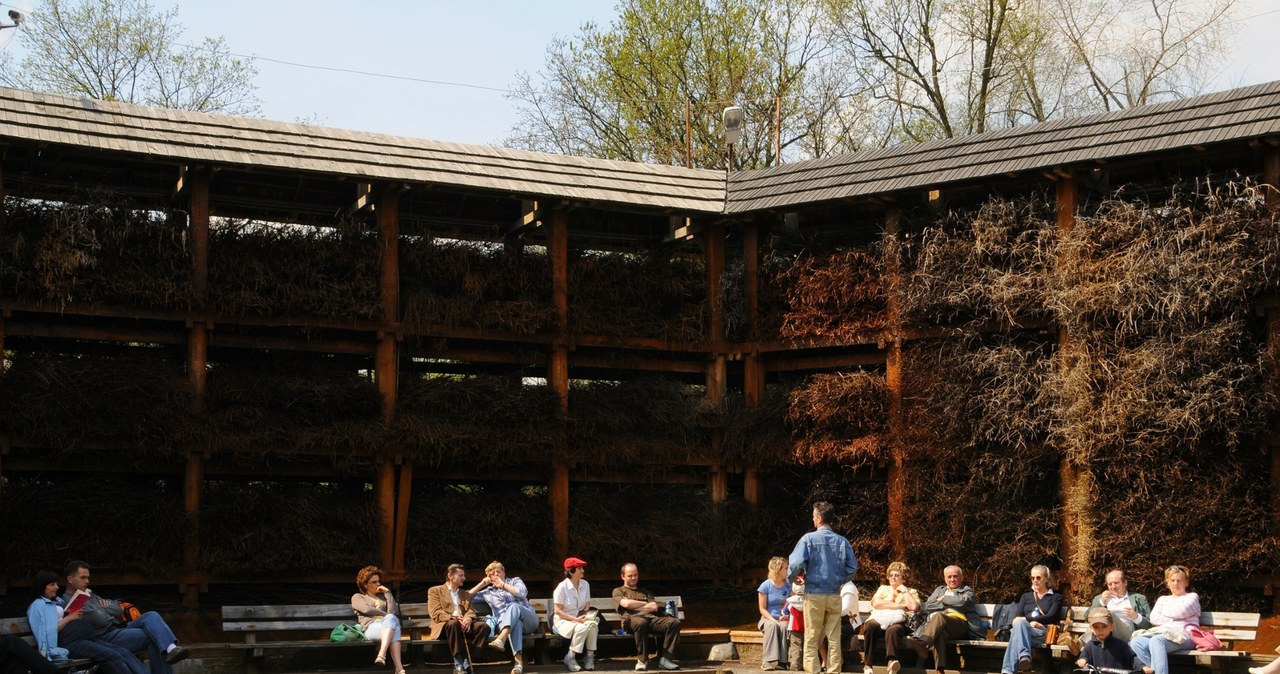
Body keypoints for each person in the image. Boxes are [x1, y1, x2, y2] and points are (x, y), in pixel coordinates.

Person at [63, 560, 188, 674]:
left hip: (119, 627)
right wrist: (104, 608)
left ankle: (171, 648)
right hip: (105, 635)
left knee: (151, 615)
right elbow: (99, 620)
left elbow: (118, 609)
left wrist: (101, 609)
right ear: (70, 579)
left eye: (88, 578)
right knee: (153, 636)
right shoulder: (69, 601)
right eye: (83, 578)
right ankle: (168, 649)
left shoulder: (89, 594)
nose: (87, 581)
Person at [30, 570, 148, 674]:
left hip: (86, 638)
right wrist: (70, 618)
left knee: (122, 651)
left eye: (56, 583)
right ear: (42, 586)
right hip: (70, 642)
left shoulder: (57, 601)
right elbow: (46, 632)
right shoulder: (38, 605)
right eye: (51, 584)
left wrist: (74, 613)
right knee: (112, 656)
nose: (56, 587)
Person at [787, 502, 858, 674]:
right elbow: (853, 568)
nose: (812, 518)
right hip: (834, 594)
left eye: (813, 516)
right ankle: (834, 671)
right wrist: (840, 580)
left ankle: (813, 671)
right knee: (834, 637)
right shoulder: (843, 541)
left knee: (811, 637)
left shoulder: (808, 539)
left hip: (814, 595)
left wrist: (794, 578)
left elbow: (795, 562)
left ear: (818, 518)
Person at [905, 565, 985, 674]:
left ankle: (922, 643)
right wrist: (951, 601)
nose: (952, 579)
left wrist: (943, 600)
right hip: (942, 626)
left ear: (961, 578)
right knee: (940, 633)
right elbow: (929, 605)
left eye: (955, 576)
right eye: (949, 577)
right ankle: (940, 669)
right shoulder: (939, 590)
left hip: (960, 625)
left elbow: (962, 602)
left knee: (939, 616)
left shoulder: (967, 591)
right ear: (945, 579)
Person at [470, 561, 539, 674]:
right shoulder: (488, 592)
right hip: (507, 624)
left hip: (529, 620)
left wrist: (503, 585)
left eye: (499, 571)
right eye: (492, 573)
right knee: (515, 624)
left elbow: (521, 593)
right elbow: (466, 597)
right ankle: (518, 664)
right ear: (489, 577)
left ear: (504, 572)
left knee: (514, 606)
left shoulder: (515, 581)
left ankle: (502, 637)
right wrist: (482, 584)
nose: (496, 574)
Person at [1129, 565, 1199, 674]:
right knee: (1136, 642)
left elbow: (1181, 612)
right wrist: (1175, 618)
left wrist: (1165, 613)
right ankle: (1156, 671)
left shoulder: (1192, 597)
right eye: (1173, 580)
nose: (1176, 583)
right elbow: (1154, 618)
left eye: (1179, 580)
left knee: (1156, 641)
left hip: (1187, 636)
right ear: (1168, 583)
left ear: (1186, 582)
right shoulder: (1163, 599)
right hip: (1165, 635)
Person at [613, 563, 681, 672]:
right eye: (630, 575)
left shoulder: (645, 591)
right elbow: (626, 604)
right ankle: (642, 660)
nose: (634, 578)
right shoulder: (618, 591)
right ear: (623, 576)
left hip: (650, 619)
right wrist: (644, 604)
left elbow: (653, 606)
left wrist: (635, 604)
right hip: (630, 621)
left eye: (636, 575)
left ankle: (666, 659)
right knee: (641, 622)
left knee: (673, 623)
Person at [427, 563, 492, 674]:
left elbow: (470, 610)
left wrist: (468, 619)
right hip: (446, 626)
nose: (464, 578)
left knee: (484, 627)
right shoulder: (435, 591)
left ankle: (467, 659)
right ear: (451, 576)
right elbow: (435, 612)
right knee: (454, 624)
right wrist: (454, 617)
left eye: (464, 575)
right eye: (461, 575)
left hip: (464, 625)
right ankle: (458, 663)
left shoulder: (464, 593)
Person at [999, 565, 1064, 674]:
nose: (1035, 581)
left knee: (1017, 633)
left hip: (1043, 631)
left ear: (1046, 579)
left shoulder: (1056, 597)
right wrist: (1029, 622)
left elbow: (1051, 617)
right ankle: (1024, 656)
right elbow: (1016, 618)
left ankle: (1008, 670)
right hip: (1026, 630)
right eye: (1033, 578)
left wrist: (1027, 620)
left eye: (1038, 578)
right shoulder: (1026, 597)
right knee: (1020, 626)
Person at [860, 561, 921, 674]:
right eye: (891, 575)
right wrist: (900, 606)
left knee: (893, 629)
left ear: (904, 578)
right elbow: (877, 604)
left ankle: (892, 662)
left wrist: (905, 591)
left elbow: (913, 607)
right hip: (880, 619)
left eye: (897, 575)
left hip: (900, 622)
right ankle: (868, 665)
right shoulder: (883, 589)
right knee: (870, 626)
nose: (893, 577)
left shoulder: (912, 591)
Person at [351, 566, 405, 674]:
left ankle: (396, 666)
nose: (378, 584)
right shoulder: (358, 597)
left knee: (393, 622)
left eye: (379, 581)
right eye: (374, 582)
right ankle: (386, 657)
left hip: (387, 627)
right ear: (365, 584)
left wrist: (388, 593)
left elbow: (393, 612)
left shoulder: (383, 598)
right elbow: (366, 610)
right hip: (370, 628)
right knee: (394, 625)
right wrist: (385, 615)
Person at [552, 556, 598, 673]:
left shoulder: (585, 585)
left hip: (579, 619)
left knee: (592, 625)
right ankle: (570, 657)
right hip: (562, 621)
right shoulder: (561, 587)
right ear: (571, 571)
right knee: (582, 628)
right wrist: (575, 619)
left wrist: (586, 615)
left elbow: (587, 604)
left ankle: (589, 657)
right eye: (580, 568)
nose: (583, 570)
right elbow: (558, 611)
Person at [1088, 570, 1152, 642]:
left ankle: (1080, 644)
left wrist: (1136, 617)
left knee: (1109, 614)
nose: (1113, 587)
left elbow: (1149, 625)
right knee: (1099, 620)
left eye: (1116, 583)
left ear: (1125, 582)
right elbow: (1087, 616)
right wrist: (1101, 602)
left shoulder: (1139, 598)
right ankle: (1080, 645)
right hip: (1105, 633)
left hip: (1129, 634)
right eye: (1110, 584)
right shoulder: (1100, 598)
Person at [757, 556, 792, 672]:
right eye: (786, 569)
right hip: (767, 618)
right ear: (778, 570)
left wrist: (787, 615)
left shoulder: (788, 585)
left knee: (784, 626)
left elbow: (792, 604)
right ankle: (766, 661)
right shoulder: (765, 586)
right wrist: (773, 619)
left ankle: (782, 662)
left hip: (783, 617)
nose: (788, 571)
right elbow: (762, 609)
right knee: (772, 626)